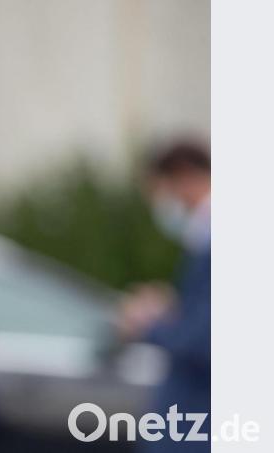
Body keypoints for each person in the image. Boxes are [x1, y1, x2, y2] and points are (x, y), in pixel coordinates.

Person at [118, 138, 211, 452]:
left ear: (183, 177)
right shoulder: (203, 244)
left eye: (160, 192)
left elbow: (203, 343)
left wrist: (149, 323)